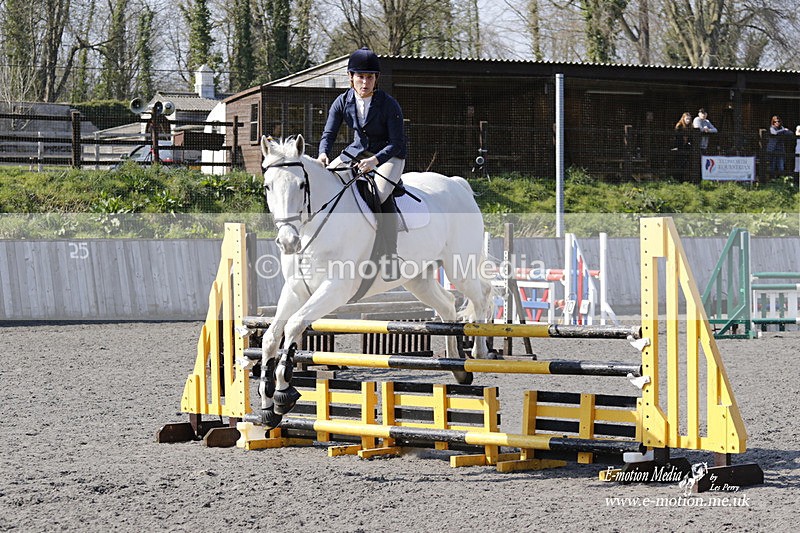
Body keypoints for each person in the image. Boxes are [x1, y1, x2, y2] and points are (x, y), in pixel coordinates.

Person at [317, 47, 407, 278]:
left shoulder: (389, 104)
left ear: (376, 79)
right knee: (327, 182)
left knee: (378, 193)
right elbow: (328, 134)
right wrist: (323, 154)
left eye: (369, 77)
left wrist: (375, 161)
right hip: (357, 152)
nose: (365, 82)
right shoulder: (342, 101)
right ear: (351, 77)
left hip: (389, 155)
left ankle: (390, 255)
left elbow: (397, 143)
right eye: (360, 76)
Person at [672, 112, 693, 180]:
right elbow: (676, 137)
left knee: (685, 162)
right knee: (679, 162)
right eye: (687, 119)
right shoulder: (679, 126)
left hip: (686, 146)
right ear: (683, 118)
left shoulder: (690, 127)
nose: (688, 120)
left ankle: (684, 178)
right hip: (679, 146)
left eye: (689, 119)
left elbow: (691, 137)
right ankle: (677, 178)